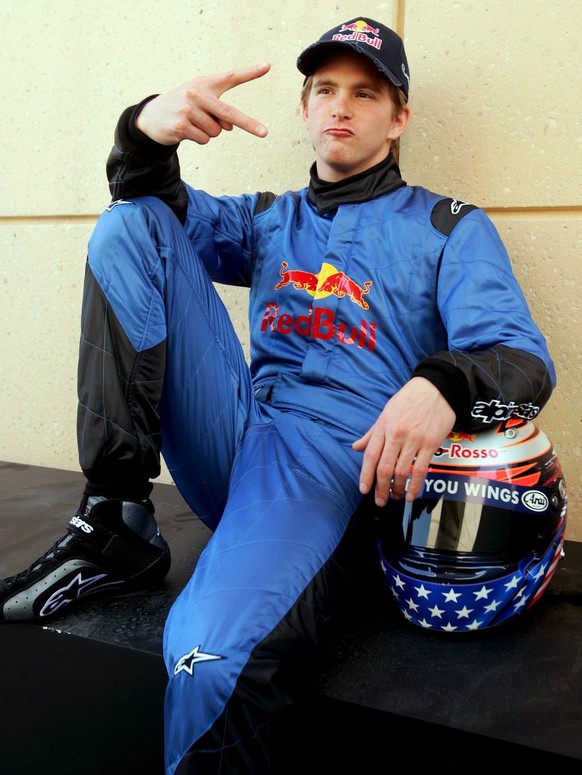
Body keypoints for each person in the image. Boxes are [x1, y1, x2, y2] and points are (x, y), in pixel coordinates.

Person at [0, 16, 555, 774]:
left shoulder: (446, 225)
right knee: (129, 226)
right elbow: (153, 205)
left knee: (208, 655)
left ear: (399, 119)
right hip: (239, 433)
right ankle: (117, 518)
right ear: (303, 108)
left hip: (329, 469)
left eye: (366, 93)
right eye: (325, 89)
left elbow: (522, 356)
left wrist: (442, 381)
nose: (341, 106)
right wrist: (145, 133)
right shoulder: (269, 218)